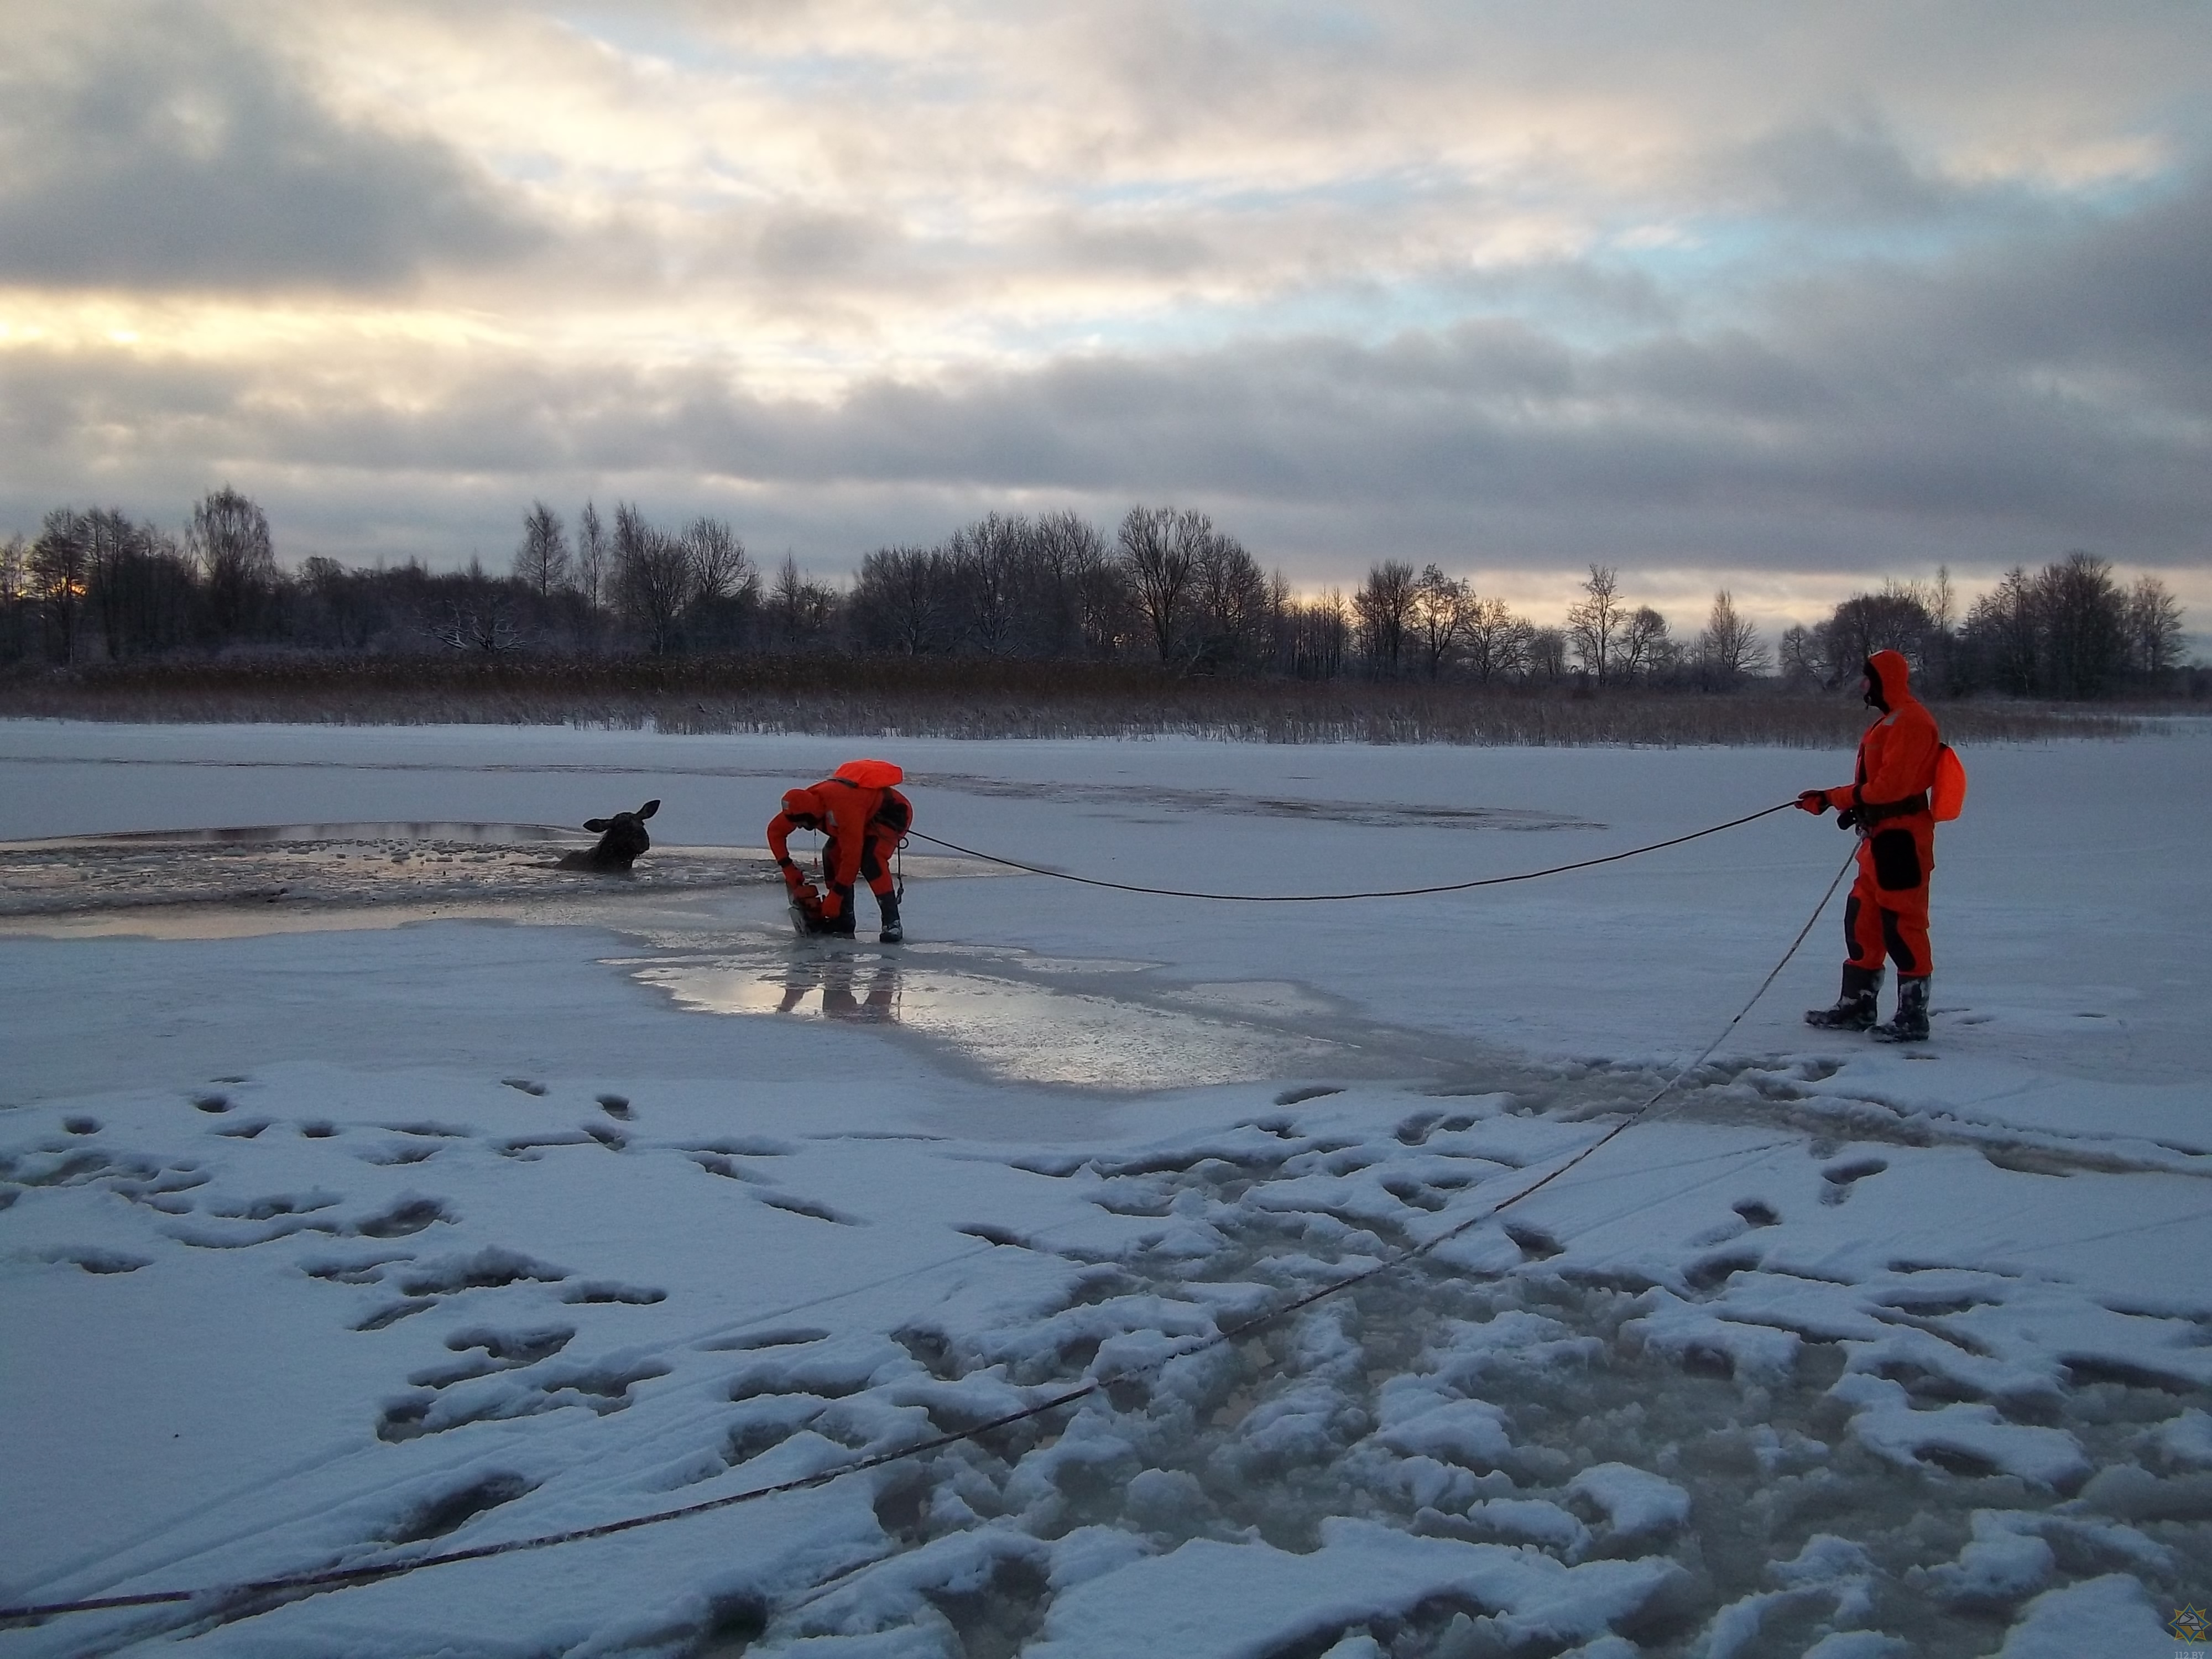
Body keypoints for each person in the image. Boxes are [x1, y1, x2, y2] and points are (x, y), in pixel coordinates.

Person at [1796, 649, 1942, 1042]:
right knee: (1862, 918)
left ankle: (1913, 1016)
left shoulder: (1911, 722)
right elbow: (1875, 789)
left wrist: (1835, 797)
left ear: (1883, 681)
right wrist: (1841, 802)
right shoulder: (1889, 722)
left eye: (1867, 679)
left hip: (1903, 841)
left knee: (1903, 925)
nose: (1863, 686)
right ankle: (1857, 1005)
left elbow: (1890, 788)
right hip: (1877, 839)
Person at [766, 759, 912, 942]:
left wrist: (835, 896)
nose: (800, 827)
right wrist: (788, 867)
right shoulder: (799, 806)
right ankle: (844, 920)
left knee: (871, 859)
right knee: (831, 854)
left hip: (891, 813)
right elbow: (775, 832)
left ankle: (892, 923)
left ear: (812, 815)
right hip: (862, 816)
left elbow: (852, 857)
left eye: (802, 823)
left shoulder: (842, 809)